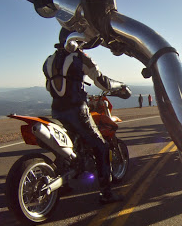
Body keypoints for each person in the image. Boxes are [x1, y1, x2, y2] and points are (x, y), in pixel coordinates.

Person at [43, 31, 125, 204]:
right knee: (101, 147)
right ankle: (106, 193)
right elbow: (103, 82)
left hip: (56, 110)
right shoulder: (80, 58)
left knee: (67, 145)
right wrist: (121, 85)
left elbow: (50, 87)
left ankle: (63, 183)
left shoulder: (49, 60)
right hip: (77, 111)